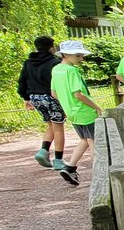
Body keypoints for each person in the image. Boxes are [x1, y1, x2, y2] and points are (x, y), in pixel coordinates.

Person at [51, 40, 103, 186]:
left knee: (85, 140)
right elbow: (78, 94)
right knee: (94, 142)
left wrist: (67, 103)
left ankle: (70, 166)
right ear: (66, 55)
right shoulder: (72, 71)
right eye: (78, 55)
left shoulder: (56, 70)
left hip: (71, 111)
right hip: (84, 111)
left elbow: (54, 93)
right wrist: (96, 106)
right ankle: (100, 174)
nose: (81, 58)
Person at [16, 35, 66, 170]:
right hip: (50, 97)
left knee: (51, 125)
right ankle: (59, 160)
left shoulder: (28, 62)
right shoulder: (55, 63)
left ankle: (43, 151)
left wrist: (26, 98)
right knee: (59, 127)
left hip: (35, 98)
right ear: (51, 47)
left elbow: (22, 81)